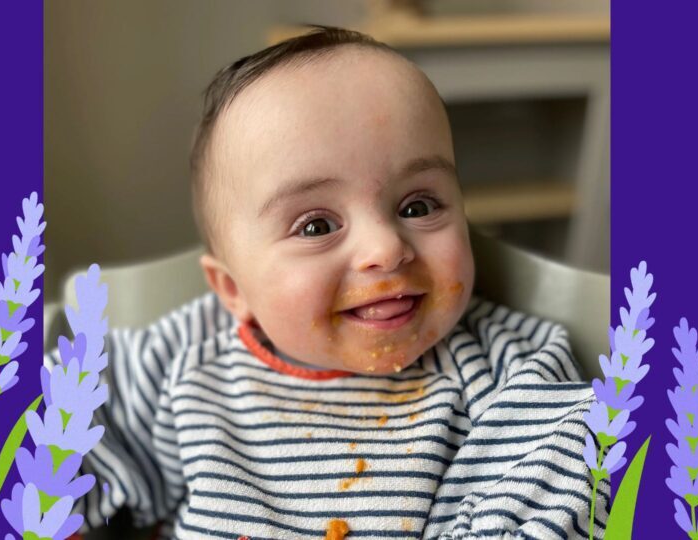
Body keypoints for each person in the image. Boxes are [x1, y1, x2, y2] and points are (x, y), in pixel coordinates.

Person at [59, 26, 609, 539]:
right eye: (316, 226)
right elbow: (55, 446)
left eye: (418, 205)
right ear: (233, 291)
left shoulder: (509, 370)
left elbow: (561, 497)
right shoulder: (177, 360)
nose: (385, 248)